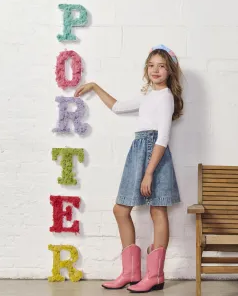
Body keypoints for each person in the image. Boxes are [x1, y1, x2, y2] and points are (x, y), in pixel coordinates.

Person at [74, 44, 184, 293]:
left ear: (169, 71)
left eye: (162, 66)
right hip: (138, 152)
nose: (155, 70)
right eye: (151, 64)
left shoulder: (166, 97)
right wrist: (93, 86)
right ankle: (131, 272)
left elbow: (163, 137)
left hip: (154, 154)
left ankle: (155, 276)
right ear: (147, 68)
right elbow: (117, 107)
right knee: (120, 209)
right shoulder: (148, 96)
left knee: (158, 211)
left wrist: (149, 172)